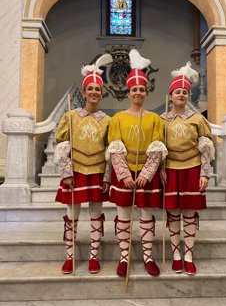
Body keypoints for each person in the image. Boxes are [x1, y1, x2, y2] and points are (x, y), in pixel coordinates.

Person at [106, 49, 167, 277]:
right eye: (134, 90)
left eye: (142, 89)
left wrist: (146, 174)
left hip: (145, 175)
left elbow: (158, 149)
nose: (138, 93)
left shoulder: (154, 118)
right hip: (126, 174)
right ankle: (124, 257)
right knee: (123, 216)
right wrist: (124, 175)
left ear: (146, 92)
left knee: (146, 215)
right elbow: (114, 148)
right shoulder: (118, 119)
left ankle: (148, 257)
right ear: (129, 92)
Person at [54, 53, 113, 274]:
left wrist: (107, 177)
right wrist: (66, 173)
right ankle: (70, 256)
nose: (94, 93)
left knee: (96, 214)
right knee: (72, 215)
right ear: (85, 91)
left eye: (98, 89)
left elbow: (111, 151)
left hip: (97, 171)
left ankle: (94, 256)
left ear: (102, 93)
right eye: (90, 89)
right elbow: (62, 145)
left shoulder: (108, 121)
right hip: (75, 172)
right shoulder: (70, 116)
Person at [160, 62, 214, 275]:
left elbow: (206, 149)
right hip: (171, 170)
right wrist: (161, 168)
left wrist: (204, 174)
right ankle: (175, 255)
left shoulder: (198, 119)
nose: (181, 95)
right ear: (171, 95)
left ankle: (189, 255)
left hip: (192, 169)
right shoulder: (162, 119)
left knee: (189, 214)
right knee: (173, 213)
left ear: (188, 95)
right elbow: (159, 148)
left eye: (184, 92)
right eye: (177, 92)